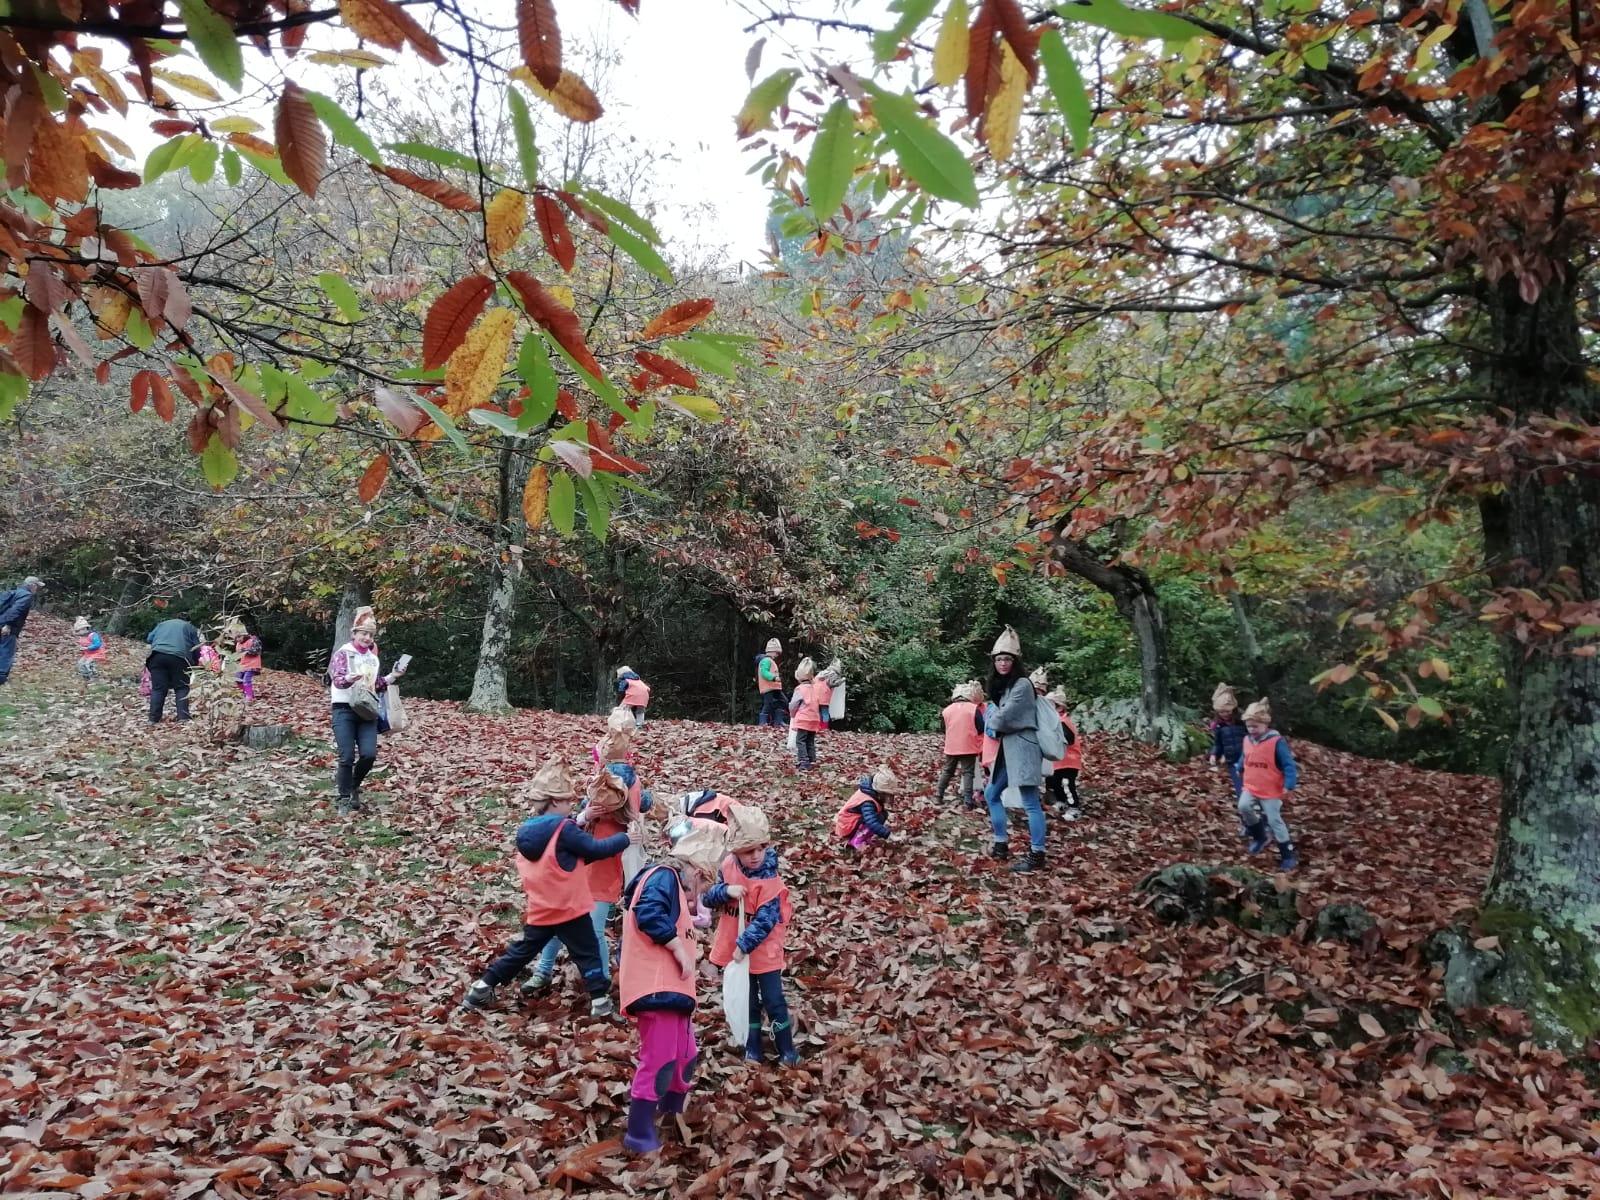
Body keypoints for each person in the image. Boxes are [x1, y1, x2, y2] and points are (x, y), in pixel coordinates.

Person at [464, 757, 630, 1016]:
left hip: (541, 910)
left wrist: (582, 819)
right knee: (588, 954)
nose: (570, 806)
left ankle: (481, 987)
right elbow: (594, 850)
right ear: (554, 802)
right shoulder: (565, 830)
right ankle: (600, 1002)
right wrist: (625, 838)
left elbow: (564, 855)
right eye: (566, 801)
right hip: (570, 908)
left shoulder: (526, 831)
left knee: (520, 952)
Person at [617, 818, 728, 1154]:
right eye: (700, 891)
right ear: (694, 871)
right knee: (661, 1059)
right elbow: (646, 912)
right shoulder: (663, 877)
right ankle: (639, 1131)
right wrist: (678, 948)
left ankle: (670, 1112)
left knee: (686, 1054)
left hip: (674, 994)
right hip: (655, 989)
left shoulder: (676, 891)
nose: (698, 903)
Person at [527, 738, 653, 994]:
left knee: (594, 931)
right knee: (555, 925)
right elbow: (568, 827)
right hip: (575, 872)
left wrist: (633, 829)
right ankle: (543, 970)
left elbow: (637, 823)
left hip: (603, 878)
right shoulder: (590, 806)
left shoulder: (625, 819)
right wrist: (587, 815)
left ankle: (602, 981)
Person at [705, 803, 797, 1065]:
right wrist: (726, 891)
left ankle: (786, 1049)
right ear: (736, 851)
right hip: (737, 952)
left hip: (762, 952)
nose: (756, 855)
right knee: (747, 1000)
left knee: (773, 999)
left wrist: (743, 945)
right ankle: (752, 1045)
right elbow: (709, 898)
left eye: (761, 848)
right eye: (748, 851)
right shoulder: (728, 867)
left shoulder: (770, 882)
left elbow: (766, 920)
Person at [982, 625, 1048, 873]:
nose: (1003, 663)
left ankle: (1037, 853)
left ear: (1015, 661)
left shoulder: (1022, 685)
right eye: (999, 659)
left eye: (1007, 659)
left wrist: (992, 720)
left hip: (1023, 746)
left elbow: (1002, 717)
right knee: (991, 794)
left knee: (1030, 802)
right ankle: (1001, 843)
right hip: (1008, 748)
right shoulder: (1007, 686)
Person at [328, 606, 406, 813]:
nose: (367, 638)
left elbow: (375, 685)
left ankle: (353, 785)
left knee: (369, 755)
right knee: (346, 756)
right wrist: (348, 679)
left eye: (370, 635)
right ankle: (343, 798)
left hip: (367, 710)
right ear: (354, 633)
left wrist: (393, 676)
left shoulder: (373, 658)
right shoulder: (343, 653)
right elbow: (337, 681)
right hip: (343, 708)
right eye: (363, 633)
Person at [1238, 698, 1301, 871]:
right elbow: (1246, 756)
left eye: (1255, 726)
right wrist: (1238, 766)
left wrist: (1289, 783)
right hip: (1251, 786)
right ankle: (1259, 836)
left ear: (1265, 724)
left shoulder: (1276, 742)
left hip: (1271, 790)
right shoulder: (1247, 740)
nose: (1252, 730)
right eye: (1249, 726)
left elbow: (1288, 764)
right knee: (1244, 807)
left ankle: (1287, 854)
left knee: (1275, 821)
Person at [1208, 683, 1248, 836]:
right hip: (1233, 763)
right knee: (1241, 795)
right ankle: (1247, 824)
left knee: (1254, 794)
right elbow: (1217, 744)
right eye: (1221, 712)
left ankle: (1262, 822)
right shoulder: (1218, 727)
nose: (1224, 714)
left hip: (1249, 761)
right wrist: (1214, 754)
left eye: (1227, 711)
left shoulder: (1243, 722)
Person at [145, 614, 201, 724]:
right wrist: (195, 663)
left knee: (158, 689)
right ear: (188, 621)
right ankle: (183, 718)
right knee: (181, 688)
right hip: (180, 658)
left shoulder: (162, 624)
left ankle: (153, 719)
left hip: (157, 656)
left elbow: (149, 638)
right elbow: (197, 648)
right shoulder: (189, 627)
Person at [936, 681, 983, 809]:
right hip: (968, 745)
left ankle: (938, 795)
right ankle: (968, 800)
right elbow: (981, 727)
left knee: (948, 771)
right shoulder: (974, 709)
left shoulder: (946, 710)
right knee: (968, 773)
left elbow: (943, 727)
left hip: (951, 746)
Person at [833, 766, 896, 851]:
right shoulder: (867, 802)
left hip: (850, 822)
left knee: (882, 815)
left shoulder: (871, 792)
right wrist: (888, 835)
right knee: (873, 819)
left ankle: (864, 836)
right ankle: (856, 841)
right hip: (846, 826)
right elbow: (871, 822)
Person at [1043, 687, 1082, 819]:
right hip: (1057, 761)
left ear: (1059, 708)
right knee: (1054, 782)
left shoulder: (1062, 722)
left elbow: (1069, 739)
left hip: (1069, 760)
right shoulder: (1053, 722)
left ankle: (1074, 807)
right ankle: (1061, 802)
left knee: (1067, 784)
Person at [787, 657, 831, 772]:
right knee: (810, 740)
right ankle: (812, 760)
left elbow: (793, 704)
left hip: (803, 719)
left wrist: (792, 714)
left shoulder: (800, 689)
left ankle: (803, 761)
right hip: (814, 719)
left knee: (800, 741)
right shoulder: (814, 689)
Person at [0, 576, 45, 687]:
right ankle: (1, 679)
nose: (37, 589)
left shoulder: (13, 592)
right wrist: (8, 625)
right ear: (32, 586)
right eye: (37, 586)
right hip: (8, 627)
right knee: (6, 652)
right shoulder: (26, 595)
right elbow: (16, 611)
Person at [754, 638, 787, 727]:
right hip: (768, 687)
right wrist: (774, 677)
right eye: (776, 653)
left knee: (783, 701)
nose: (777, 655)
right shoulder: (766, 661)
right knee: (768, 704)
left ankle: (778, 721)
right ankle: (762, 722)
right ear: (771, 651)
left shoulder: (771, 661)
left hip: (775, 687)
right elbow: (764, 672)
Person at [73, 616, 107, 688]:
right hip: (87, 653)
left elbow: (97, 644)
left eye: (79, 631)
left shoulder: (93, 635)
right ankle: (86, 677)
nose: (78, 633)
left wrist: (87, 648)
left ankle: (95, 677)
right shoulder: (82, 637)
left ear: (84, 628)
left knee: (88, 664)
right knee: (80, 663)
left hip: (97, 653)